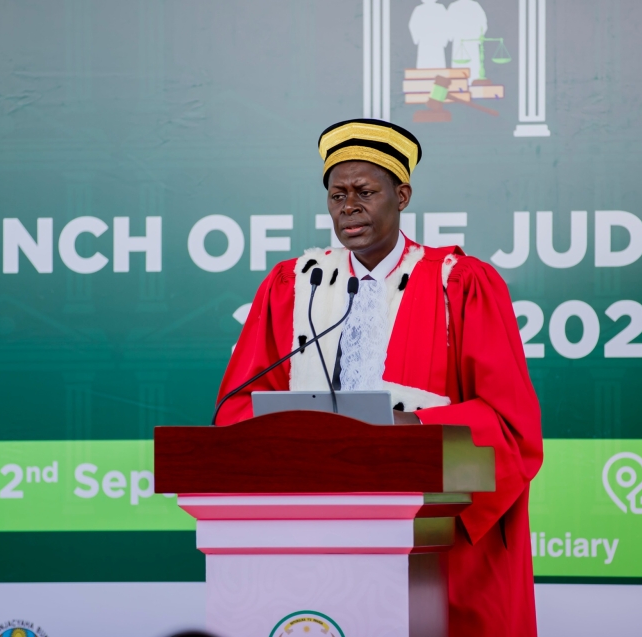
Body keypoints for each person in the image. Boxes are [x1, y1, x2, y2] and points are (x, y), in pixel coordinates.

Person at [215, 118, 543, 637]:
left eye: (365, 191)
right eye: (337, 194)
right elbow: (238, 410)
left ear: (402, 195)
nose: (349, 206)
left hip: (433, 532)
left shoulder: (459, 284)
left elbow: (508, 424)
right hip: (314, 533)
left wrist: (406, 428)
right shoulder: (292, 286)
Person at [447, 0, 488, 82]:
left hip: (471, 40)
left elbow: (482, 23)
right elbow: (447, 24)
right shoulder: (454, 6)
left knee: (472, 69)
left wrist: (479, 35)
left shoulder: (475, 6)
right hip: (459, 42)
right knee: (459, 68)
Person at [409, 0, 451, 69]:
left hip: (437, 40)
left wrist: (444, 39)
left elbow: (446, 24)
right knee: (425, 65)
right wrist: (417, 38)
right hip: (426, 41)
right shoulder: (419, 9)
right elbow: (413, 24)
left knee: (437, 64)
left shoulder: (440, 8)